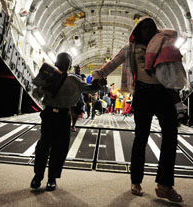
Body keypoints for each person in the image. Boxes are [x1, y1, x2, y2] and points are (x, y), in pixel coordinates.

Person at [92, 16, 183, 202]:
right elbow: (113, 63)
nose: (148, 30)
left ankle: (165, 185)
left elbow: (173, 65)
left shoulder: (162, 44)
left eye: (151, 27)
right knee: (141, 137)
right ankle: (136, 181)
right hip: (143, 94)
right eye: (144, 27)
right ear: (138, 31)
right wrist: (98, 75)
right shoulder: (130, 49)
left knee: (171, 136)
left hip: (163, 93)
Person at [31, 52, 105, 191]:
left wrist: (99, 84)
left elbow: (36, 94)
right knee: (51, 148)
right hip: (57, 115)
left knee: (50, 147)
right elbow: (90, 89)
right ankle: (44, 177)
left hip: (56, 114)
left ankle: (43, 177)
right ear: (70, 65)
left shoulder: (73, 79)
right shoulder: (58, 77)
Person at [70, 65, 85, 132]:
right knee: (72, 112)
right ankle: (72, 125)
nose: (78, 70)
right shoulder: (71, 75)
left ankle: (73, 125)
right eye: (77, 68)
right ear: (74, 69)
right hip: (71, 97)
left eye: (79, 68)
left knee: (75, 113)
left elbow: (84, 86)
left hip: (78, 98)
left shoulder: (81, 77)